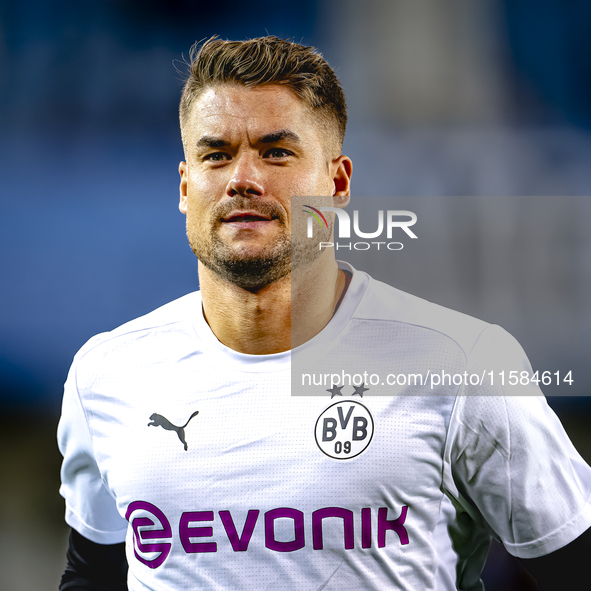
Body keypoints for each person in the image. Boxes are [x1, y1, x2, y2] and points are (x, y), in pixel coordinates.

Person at [57, 36, 591, 591]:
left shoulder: (464, 364)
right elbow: (90, 576)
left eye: (275, 151)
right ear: (187, 186)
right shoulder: (107, 375)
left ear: (337, 184)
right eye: (216, 154)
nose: (243, 178)